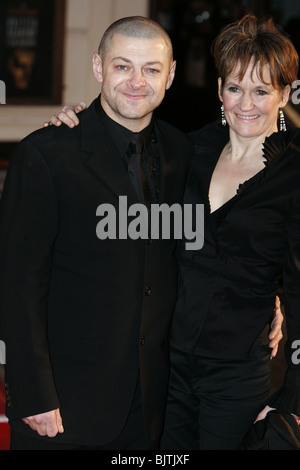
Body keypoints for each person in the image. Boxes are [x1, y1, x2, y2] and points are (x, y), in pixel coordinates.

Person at [48, 14, 298, 450]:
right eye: (235, 88)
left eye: (261, 91)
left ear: (284, 93)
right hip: (164, 362)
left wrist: (292, 399)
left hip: (238, 371)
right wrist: (76, 121)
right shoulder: (186, 150)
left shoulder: (294, 172)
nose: (246, 104)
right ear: (219, 90)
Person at [0, 16, 193, 450]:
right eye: (123, 66)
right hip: (63, 404)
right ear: (98, 67)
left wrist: (267, 301)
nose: (137, 82)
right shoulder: (46, 153)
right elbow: (17, 283)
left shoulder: (184, 151)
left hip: (152, 404)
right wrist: (32, 393)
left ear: (171, 74)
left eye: (151, 69)